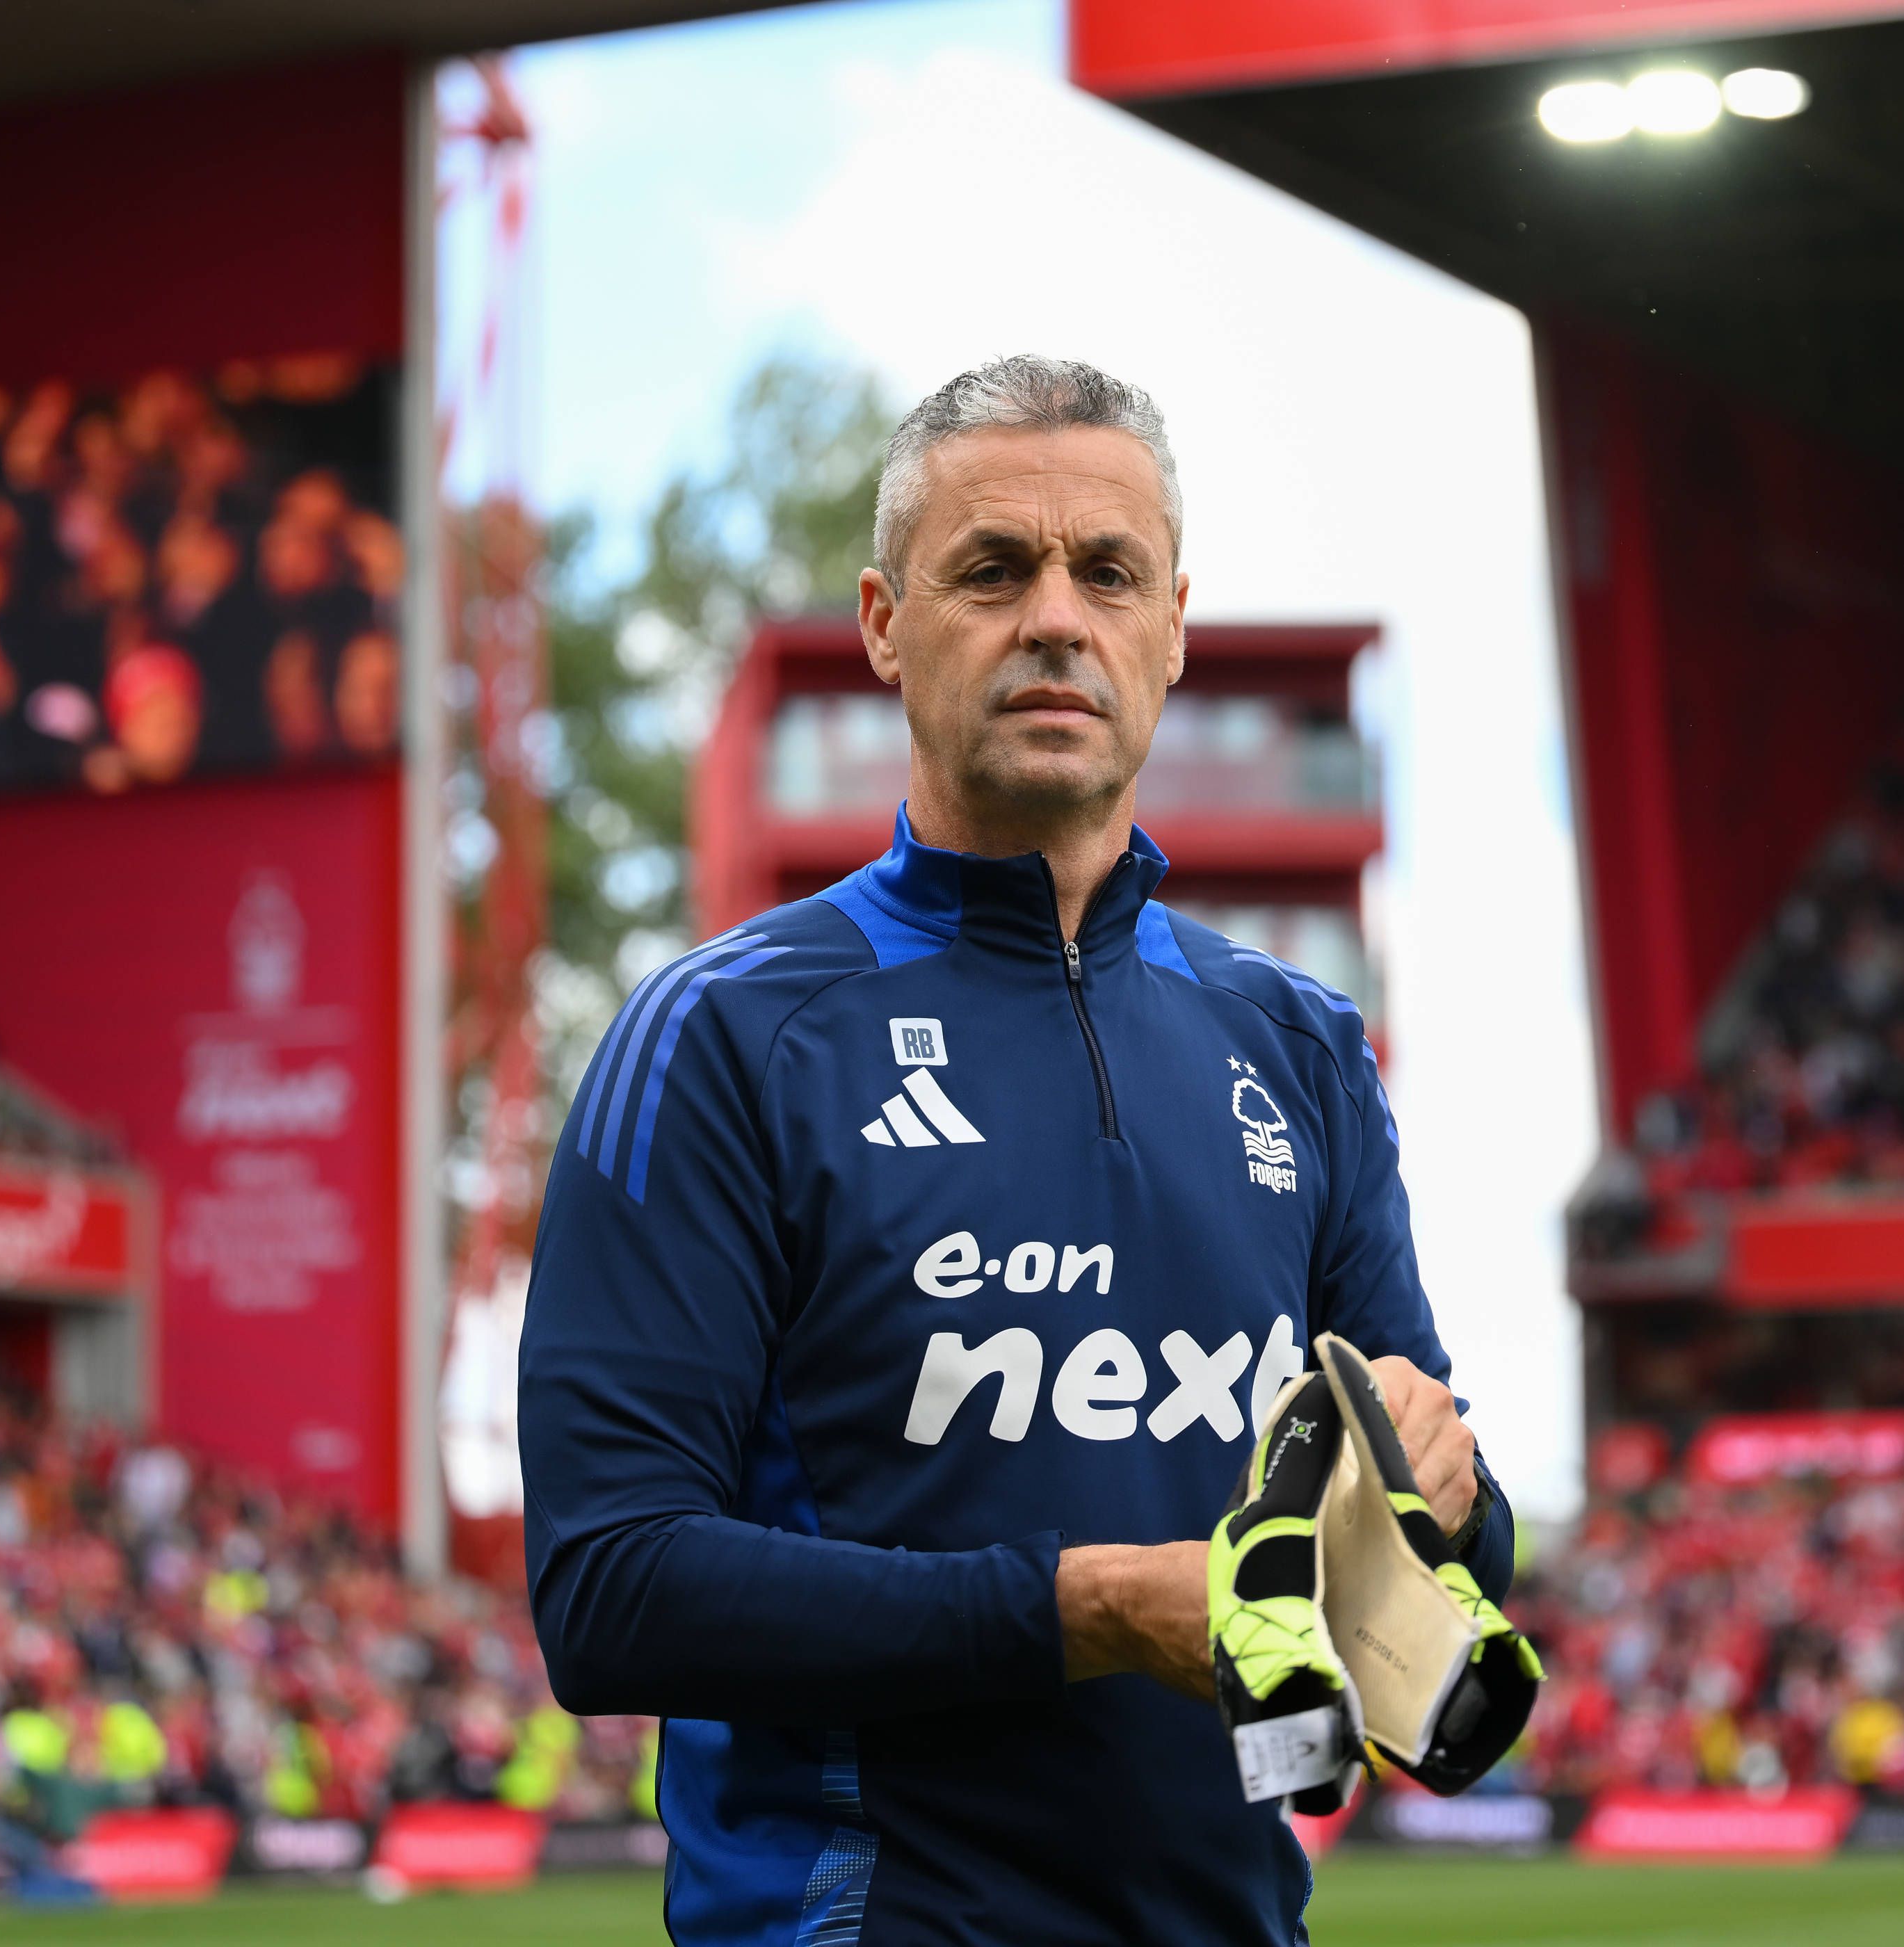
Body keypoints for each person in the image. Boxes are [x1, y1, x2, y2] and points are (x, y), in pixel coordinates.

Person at [519, 356, 1514, 1946]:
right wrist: (1102, 1607)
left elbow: (1463, 1534)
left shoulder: (1301, 1045)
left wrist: (1439, 1489)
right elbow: (612, 1589)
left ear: (1172, 628)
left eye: (1107, 572)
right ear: (884, 622)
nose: (1058, 615)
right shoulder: (720, 1037)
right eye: (994, 569)